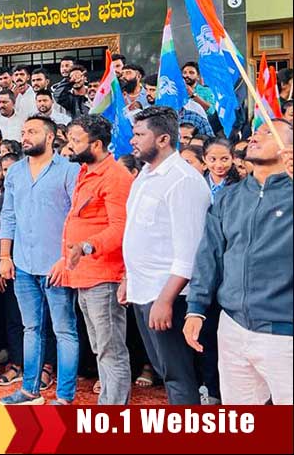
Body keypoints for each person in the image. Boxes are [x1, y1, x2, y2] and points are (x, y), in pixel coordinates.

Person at [184, 119, 293, 405]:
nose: (256, 136)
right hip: (233, 326)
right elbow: (210, 255)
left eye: (269, 132)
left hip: (285, 332)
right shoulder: (230, 197)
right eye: (257, 131)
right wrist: (196, 308)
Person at [121, 107, 211, 404]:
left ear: (162, 139)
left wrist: (165, 299)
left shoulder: (182, 180)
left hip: (169, 295)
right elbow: (140, 234)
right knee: (164, 371)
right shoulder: (146, 175)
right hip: (144, 291)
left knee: (179, 376)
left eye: (138, 135)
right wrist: (128, 279)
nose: (132, 141)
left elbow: (190, 252)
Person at [52, 115, 134, 405]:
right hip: (84, 275)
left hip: (104, 276)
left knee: (111, 350)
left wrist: (88, 246)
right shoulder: (85, 171)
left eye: (76, 140)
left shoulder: (115, 177)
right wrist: (66, 258)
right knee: (101, 347)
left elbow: (121, 228)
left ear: (96, 144)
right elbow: (75, 220)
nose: (69, 146)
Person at [0, 116, 80, 406]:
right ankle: (30, 391)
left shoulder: (70, 170)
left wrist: (66, 257)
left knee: (64, 330)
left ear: (50, 136)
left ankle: (64, 396)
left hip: (58, 265)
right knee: (31, 329)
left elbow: (77, 218)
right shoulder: (16, 172)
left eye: (32, 131)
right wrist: (5, 257)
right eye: (23, 131)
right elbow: (8, 216)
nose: (25, 136)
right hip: (22, 263)